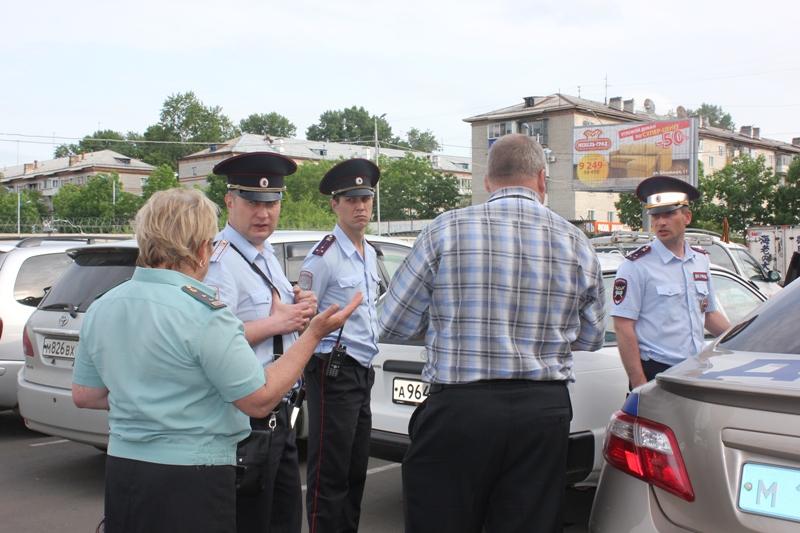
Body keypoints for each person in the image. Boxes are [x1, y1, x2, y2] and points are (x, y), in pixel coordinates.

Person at [71, 188, 361, 533]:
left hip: (123, 470)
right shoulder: (204, 313)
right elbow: (260, 399)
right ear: (201, 249)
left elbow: (85, 395)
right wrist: (313, 334)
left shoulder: (105, 304)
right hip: (194, 476)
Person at [380, 134, 606, 533]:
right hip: (542, 413)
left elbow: (394, 323)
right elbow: (590, 339)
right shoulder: (578, 243)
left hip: (460, 412)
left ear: (486, 180)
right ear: (542, 178)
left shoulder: (445, 230)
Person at [203, 152, 317, 533]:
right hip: (244, 420)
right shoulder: (219, 261)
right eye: (252, 202)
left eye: (271, 203)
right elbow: (214, 342)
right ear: (230, 201)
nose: (263, 213)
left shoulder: (264, 254)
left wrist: (300, 310)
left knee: (284, 522)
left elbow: (281, 322)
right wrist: (276, 322)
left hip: (278, 415)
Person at [297, 158, 382, 533]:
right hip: (333, 369)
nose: (360, 206)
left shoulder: (370, 252)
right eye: (351, 199)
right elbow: (302, 323)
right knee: (328, 474)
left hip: (361, 372)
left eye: (366, 198)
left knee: (354, 471)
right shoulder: (324, 257)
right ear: (335, 204)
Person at [611, 175, 731, 389]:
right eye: (655, 216)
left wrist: (742, 338)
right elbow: (623, 327)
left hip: (695, 369)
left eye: (669, 214)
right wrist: (639, 384)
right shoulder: (636, 265)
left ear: (687, 217)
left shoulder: (700, 260)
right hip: (657, 372)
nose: (660, 222)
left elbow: (709, 314)